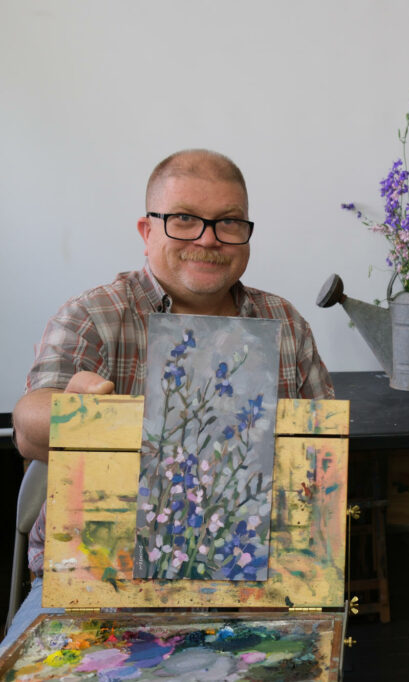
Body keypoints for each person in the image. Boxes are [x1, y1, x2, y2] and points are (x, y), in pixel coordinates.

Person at [2, 149, 334, 653]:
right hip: (95, 580)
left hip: (255, 575)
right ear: (146, 230)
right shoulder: (94, 316)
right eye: (183, 219)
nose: (207, 238)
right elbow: (29, 427)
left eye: (228, 223)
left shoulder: (284, 324)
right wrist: (79, 412)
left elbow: (319, 458)